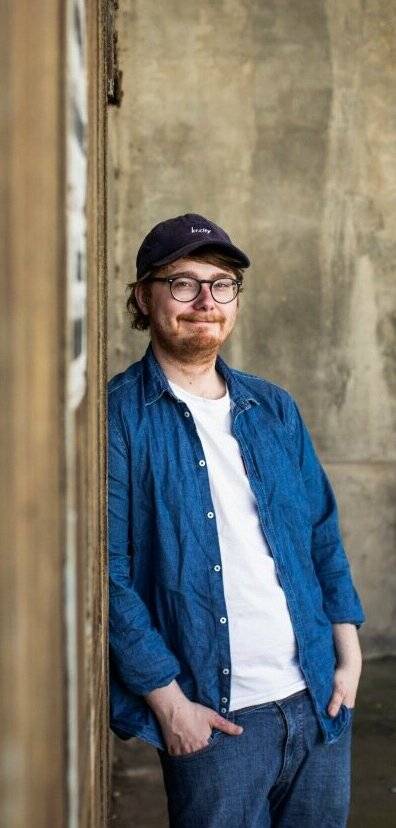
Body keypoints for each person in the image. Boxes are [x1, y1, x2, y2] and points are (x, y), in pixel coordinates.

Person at [107, 213, 366, 827]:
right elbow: (106, 575)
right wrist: (169, 704)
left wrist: (348, 658)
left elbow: (321, 533)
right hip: (215, 722)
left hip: (319, 701)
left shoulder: (273, 407)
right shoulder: (117, 418)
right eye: (183, 284)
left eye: (221, 284)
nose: (206, 302)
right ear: (143, 297)